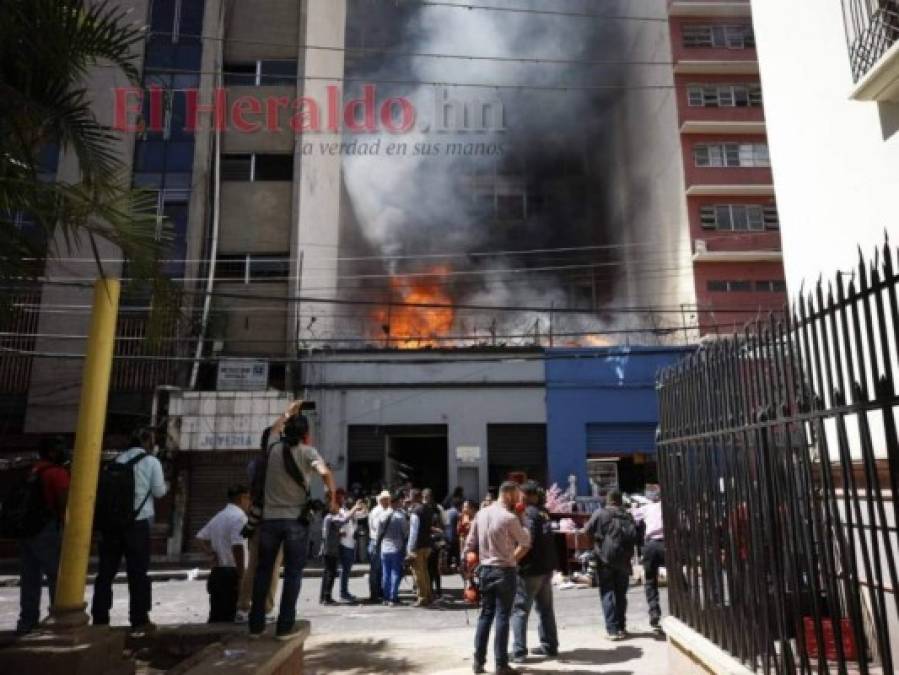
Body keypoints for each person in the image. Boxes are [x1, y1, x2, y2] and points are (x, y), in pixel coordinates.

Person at [248, 406, 337, 639]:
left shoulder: (272, 448)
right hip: (295, 523)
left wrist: (288, 411)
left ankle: (255, 626)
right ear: (306, 434)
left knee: (263, 572)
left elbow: (275, 428)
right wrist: (333, 498)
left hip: (269, 521)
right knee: (293, 574)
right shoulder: (308, 452)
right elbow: (325, 473)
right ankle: (284, 627)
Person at [92, 428, 167, 634]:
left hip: (111, 526)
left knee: (105, 574)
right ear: (145, 441)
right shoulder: (151, 462)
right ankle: (139, 620)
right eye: (152, 440)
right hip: (137, 524)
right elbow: (160, 492)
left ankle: (99, 619)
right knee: (138, 574)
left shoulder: (115, 462)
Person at [464, 481, 531, 675]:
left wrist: (468, 568)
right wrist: (523, 518)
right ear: (509, 495)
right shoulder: (510, 518)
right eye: (517, 495)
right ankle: (501, 664)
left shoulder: (481, 514)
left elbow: (469, 544)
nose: (519, 499)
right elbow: (525, 541)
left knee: (485, 615)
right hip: (505, 571)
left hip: (485, 570)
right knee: (502, 617)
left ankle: (478, 662)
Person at [15, 437, 70, 634]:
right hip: (45, 530)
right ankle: (59, 618)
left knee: (30, 578)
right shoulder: (57, 473)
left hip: (26, 531)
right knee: (57, 576)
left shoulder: (32, 470)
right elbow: (65, 505)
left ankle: (27, 622)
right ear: (53, 452)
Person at [237, 425, 284, 623]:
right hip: (276, 519)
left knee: (253, 566)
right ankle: (265, 608)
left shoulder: (255, 464)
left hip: (257, 519)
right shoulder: (282, 464)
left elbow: (253, 489)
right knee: (272, 567)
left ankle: (243, 607)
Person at [510, 481, 559, 663]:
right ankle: (550, 645)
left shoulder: (529, 514)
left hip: (531, 570)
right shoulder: (543, 513)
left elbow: (526, 541)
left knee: (520, 610)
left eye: (520, 494)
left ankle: (519, 652)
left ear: (526, 495)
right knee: (545, 609)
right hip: (546, 568)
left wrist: (512, 560)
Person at [584, 488, 639, 641]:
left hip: (605, 559)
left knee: (607, 593)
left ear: (607, 500)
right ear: (620, 501)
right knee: (621, 594)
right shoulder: (627, 515)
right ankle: (622, 627)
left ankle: (613, 630)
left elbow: (586, 531)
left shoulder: (600, 513)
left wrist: (597, 543)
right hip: (624, 559)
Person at [196, 484, 250, 623]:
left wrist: (210, 553)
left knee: (216, 615)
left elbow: (199, 537)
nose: (249, 503)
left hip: (217, 573)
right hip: (232, 573)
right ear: (242, 498)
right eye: (248, 499)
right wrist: (241, 575)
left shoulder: (220, 516)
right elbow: (238, 546)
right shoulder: (240, 518)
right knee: (231, 617)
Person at [633, 485, 665, 631]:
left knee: (651, 580)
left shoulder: (645, 508)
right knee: (677, 576)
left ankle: (654, 613)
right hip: (666, 544)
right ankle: (686, 606)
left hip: (650, 545)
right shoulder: (668, 506)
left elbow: (632, 518)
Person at [379, 492, 410, 606]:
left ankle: (385, 598)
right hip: (397, 548)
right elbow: (406, 532)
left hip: (384, 548)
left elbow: (379, 532)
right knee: (395, 573)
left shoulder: (382, 515)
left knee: (385, 573)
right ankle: (393, 597)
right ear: (396, 503)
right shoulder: (400, 516)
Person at [406, 489, 434, 607]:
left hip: (417, 546)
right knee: (425, 571)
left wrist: (409, 548)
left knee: (418, 573)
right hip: (427, 544)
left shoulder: (415, 512)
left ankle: (422, 597)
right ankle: (428, 595)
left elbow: (413, 531)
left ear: (413, 498)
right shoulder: (428, 509)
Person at [338, 493, 365, 603]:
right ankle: (343, 593)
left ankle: (345, 592)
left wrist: (363, 505)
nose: (348, 501)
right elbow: (346, 517)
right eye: (346, 500)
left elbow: (364, 514)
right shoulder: (342, 511)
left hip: (351, 544)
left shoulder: (352, 512)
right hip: (344, 544)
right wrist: (354, 507)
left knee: (347, 570)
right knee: (344, 570)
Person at [367, 490, 392, 603]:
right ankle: (374, 594)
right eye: (387, 499)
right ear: (382, 500)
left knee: (380, 569)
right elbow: (377, 529)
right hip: (376, 542)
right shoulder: (378, 511)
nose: (388, 501)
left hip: (379, 542)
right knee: (375, 570)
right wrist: (378, 543)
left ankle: (379, 592)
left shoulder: (383, 510)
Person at [319, 494, 343, 606]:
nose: (338, 509)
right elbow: (345, 520)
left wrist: (338, 533)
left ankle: (324, 597)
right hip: (330, 550)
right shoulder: (330, 518)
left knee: (328, 573)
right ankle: (326, 598)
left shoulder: (329, 518)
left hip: (329, 549)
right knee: (330, 574)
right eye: (337, 506)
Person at [445, 497, 462, 570]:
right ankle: (458, 565)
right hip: (454, 536)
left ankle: (447, 566)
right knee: (457, 552)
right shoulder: (458, 514)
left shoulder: (446, 512)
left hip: (446, 536)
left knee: (449, 552)